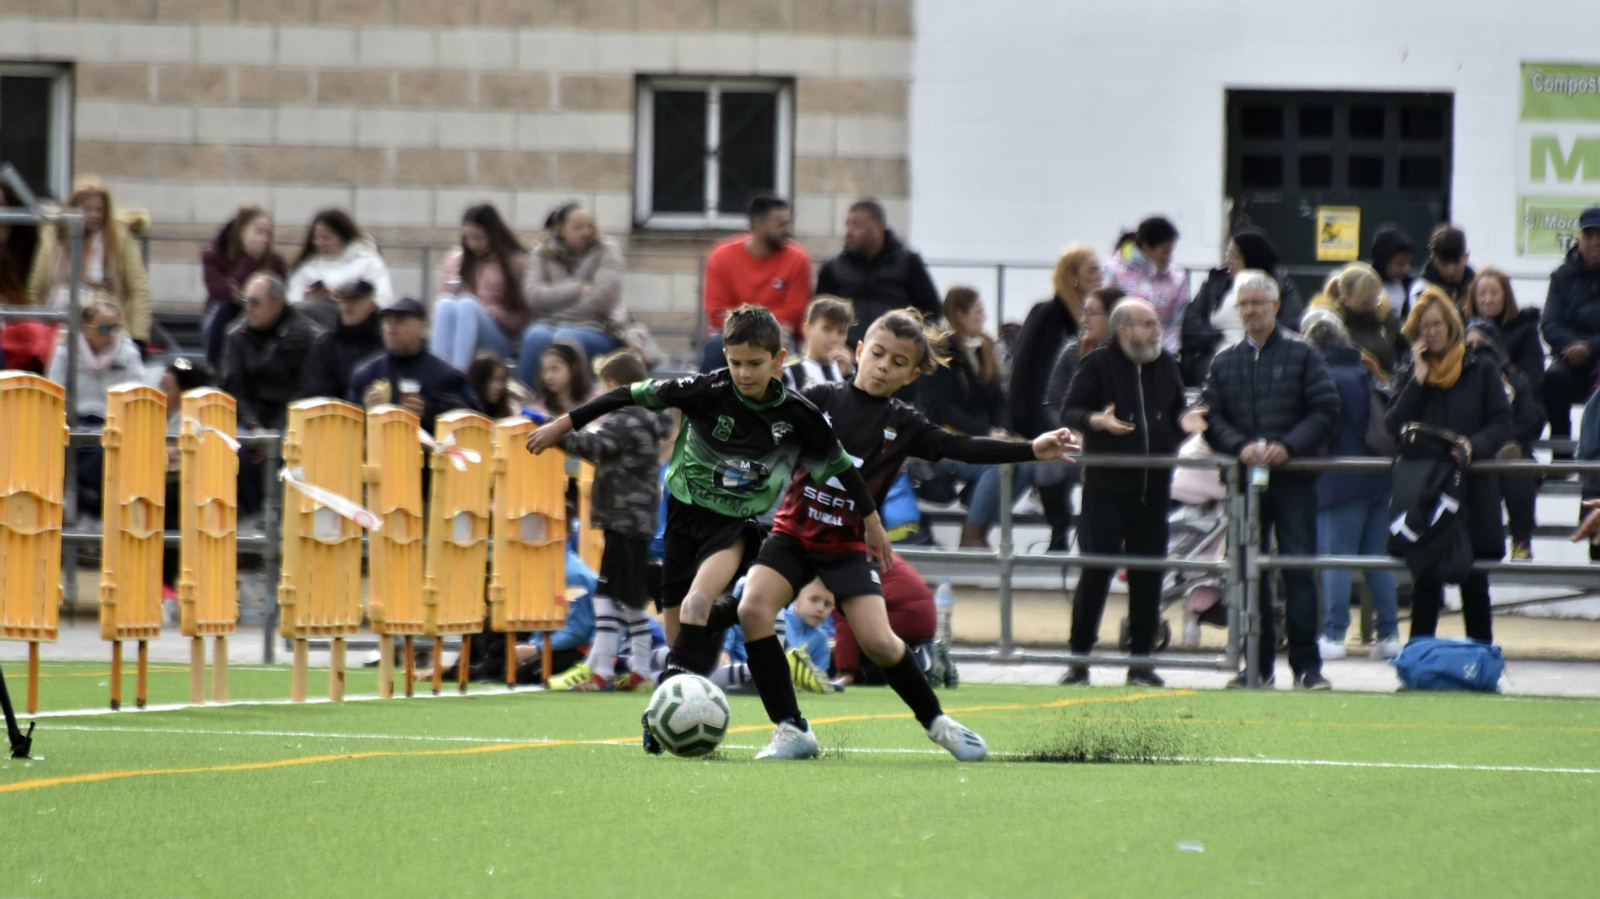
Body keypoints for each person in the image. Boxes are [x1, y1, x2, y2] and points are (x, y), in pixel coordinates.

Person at [526, 304, 883, 754]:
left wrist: (872, 520)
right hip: (683, 518)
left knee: (698, 603)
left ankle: (664, 714)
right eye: (735, 362)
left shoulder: (796, 413)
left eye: (755, 363)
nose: (744, 373)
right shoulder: (705, 389)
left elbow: (843, 467)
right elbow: (627, 394)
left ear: (778, 360)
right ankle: (687, 692)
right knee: (682, 640)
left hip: (735, 524)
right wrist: (563, 423)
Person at [732, 309, 1079, 761]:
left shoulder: (905, 423)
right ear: (860, 351)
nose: (883, 366)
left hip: (848, 548)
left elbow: (960, 447)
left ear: (912, 374)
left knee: (880, 642)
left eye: (898, 362)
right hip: (793, 534)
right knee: (752, 609)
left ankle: (938, 722)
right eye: (877, 354)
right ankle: (791, 727)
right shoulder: (819, 398)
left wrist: (1030, 448)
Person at [1201, 270, 1340, 689]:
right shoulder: (1224, 361)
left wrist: (1288, 446)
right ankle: (1256, 666)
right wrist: (1239, 445)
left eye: (1257, 303)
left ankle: (1307, 668)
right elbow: (1210, 418)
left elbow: (1326, 409)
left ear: (1276, 306)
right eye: (1243, 304)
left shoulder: (1304, 354)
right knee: (1250, 575)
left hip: (1295, 483)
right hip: (1245, 486)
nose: (1249, 311)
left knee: (1298, 570)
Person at [1059, 299, 1208, 686]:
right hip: (1105, 490)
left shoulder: (1166, 364)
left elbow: (1176, 411)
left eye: (1156, 323)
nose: (1157, 330)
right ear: (1124, 330)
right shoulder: (1097, 363)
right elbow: (1069, 411)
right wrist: (1098, 422)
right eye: (1148, 324)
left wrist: (1186, 420)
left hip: (1154, 490)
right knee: (1095, 575)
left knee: (1148, 577)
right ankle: (1078, 661)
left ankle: (1141, 663)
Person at [1387, 288, 1513, 644]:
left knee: (1474, 583)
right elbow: (1393, 425)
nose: (1431, 333)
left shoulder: (1481, 368)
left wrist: (1475, 445)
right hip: (1427, 494)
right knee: (1425, 582)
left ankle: (1481, 660)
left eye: (1437, 324)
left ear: (1451, 325)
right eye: (1423, 327)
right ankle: (1418, 660)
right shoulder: (1412, 371)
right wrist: (1418, 380)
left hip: (1471, 491)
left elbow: (1502, 421)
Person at [545, 350, 669, 692]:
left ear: (614, 386)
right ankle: (620, 670)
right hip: (634, 520)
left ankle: (613, 671)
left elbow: (594, 446)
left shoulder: (625, 418)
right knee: (618, 596)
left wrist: (555, 432)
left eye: (604, 388)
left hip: (624, 519)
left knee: (618, 597)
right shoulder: (647, 417)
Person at [1300, 309, 1401, 661]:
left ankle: (1333, 635)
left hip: (1338, 480)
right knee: (1377, 559)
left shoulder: (1322, 377)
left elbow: (1320, 433)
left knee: (1336, 559)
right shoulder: (1366, 372)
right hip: (1379, 477)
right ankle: (1389, 634)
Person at [924, 286, 1052, 548]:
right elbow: (940, 408)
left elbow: (998, 400)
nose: (984, 317)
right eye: (979, 312)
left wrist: (1002, 430)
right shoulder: (939, 352)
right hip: (943, 444)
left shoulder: (984, 348)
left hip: (980, 440)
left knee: (1026, 464)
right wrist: (987, 432)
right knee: (997, 464)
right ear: (960, 315)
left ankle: (979, 525)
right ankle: (972, 535)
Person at [1010, 244, 1103, 549]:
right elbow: (1029, 376)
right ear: (1072, 276)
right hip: (1046, 417)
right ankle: (1059, 532)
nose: (1100, 276)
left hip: (1084, 420)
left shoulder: (1100, 321)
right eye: (1092, 270)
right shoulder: (1047, 315)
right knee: (1051, 461)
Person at [47, 296, 146, 510]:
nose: (111, 335)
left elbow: (137, 396)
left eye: (115, 328)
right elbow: (54, 392)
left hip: (113, 425)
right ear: (87, 329)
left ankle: (84, 490)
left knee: (110, 448)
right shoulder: (66, 352)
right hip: (73, 422)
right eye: (104, 328)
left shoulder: (129, 355)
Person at [28, 177, 152, 345]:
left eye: (99, 210)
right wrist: (36, 331)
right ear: (73, 208)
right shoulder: (53, 236)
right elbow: (34, 291)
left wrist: (139, 336)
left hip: (104, 330)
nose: (94, 215)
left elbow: (138, 289)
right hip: (55, 328)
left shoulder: (119, 238)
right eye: (87, 208)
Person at [701, 194, 814, 373]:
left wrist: (741, 318)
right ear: (758, 225)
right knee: (715, 346)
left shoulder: (798, 259)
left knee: (784, 351)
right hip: (733, 336)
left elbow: (795, 312)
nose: (788, 230)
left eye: (788, 223)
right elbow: (717, 313)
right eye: (781, 225)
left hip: (779, 336)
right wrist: (760, 324)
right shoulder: (721, 257)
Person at [517, 203, 626, 386]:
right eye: (577, 227)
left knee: (565, 337)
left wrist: (555, 308)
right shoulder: (541, 253)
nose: (586, 232)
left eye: (589, 225)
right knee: (534, 336)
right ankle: (526, 397)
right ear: (560, 229)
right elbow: (533, 296)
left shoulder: (607, 250)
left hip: (597, 329)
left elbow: (602, 300)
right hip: (548, 325)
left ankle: (574, 399)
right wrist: (576, 289)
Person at [1465, 317, 1546, 561]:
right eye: (1470, 344)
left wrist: (1498, 437)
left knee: (1516, 464)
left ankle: (1521, 541)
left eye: (1482, 343)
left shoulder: (1515, 378)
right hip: (1470, 451)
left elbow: (1531, 419)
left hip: (1507, 450)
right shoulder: (1459, 376)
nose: (1476, 350)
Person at [1182, 226, 1304, 386]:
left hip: (1263, 358)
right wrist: (1217, 340)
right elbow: (1192, 322)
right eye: (1227, 254)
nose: (1228, 261)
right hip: (1214, 355)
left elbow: (1291, 326)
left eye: (1234, 256)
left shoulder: (1281, 287)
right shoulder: (1214, 283)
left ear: (1251, 258)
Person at [815, 199, 941, 345]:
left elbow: (931, 311)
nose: (848, 232)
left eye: (856, 225)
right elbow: (818, 316)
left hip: (895, 350)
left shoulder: (908, 263)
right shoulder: (832, 269)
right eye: (847, 224)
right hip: (846, 352)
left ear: (878, 227)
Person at [348, 296, 478, 432]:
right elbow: (347, 424)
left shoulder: (446, 375)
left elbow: (473, 420)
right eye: (386, 322)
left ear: (422, 325)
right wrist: (364, 408)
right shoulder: (367, 374)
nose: (391, 329)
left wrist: (429, 410)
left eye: (399, 321)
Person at [430, 204, 529, 370]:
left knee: (467, 304)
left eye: (478, 238)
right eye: (467, 238)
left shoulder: (515, 261)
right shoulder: (456, 260)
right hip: (459, 329)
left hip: (499, 338)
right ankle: (438, 371)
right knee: (445, 303)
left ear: (493, 234)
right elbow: (438, 307)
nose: (473, 244)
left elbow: (522, 319)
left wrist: (490, 310)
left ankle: (459, 373)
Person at [220, 273, 322, 434]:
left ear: (277, 305)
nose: (248, 308)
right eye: (245, 301)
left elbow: (306, 388)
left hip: (294, 421)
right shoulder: (236, 336)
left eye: (255, 302)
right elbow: (234, 387)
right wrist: (254, 425)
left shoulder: (307, 337)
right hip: (249, 421)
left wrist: (277, 430)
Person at [1540, 206, 1600, 457]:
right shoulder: (1561, 277)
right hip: (1569, 360)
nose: (1594, 242)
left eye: (1599, 235)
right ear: (1578, 238)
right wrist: (1573, 347)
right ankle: (1561, 455)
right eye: (1589, 235)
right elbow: (1549, 324)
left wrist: (1590, 348)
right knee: (1552, 378)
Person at [712, 577, 837, 695]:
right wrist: (724, 650)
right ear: (795, 598)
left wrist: (799, 682)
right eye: (814, 599)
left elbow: (819, 678)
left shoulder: (821, 638)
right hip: (733, 668)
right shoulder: (775, 614)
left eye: (827, 604)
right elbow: (732, 625)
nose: (820, 608)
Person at [201, 205, 286, 368]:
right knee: (225, 308)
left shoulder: (275, 261)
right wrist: (249, 260)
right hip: (223, 315)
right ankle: (214, 366)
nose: (263, 239)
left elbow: (280, 292)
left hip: (264, 313)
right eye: (258, 232)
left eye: (267, 234)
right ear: (241, 231)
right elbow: (220, 290)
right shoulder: (214, 255)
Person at [831, 554, 935, 686]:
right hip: (920, 618)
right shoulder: (865, 553)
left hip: (901, 617)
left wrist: (846, 671)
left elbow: (848, 622)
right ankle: (918, 653)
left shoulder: (846, 565)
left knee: (862, 670)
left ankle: (917, 661)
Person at [1306, 262, 1407, 377]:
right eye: (1366, 303)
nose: (1374, 307)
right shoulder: (1331, 328)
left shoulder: (1385, 319)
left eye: (1376, 300)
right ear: (1345, 298)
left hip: (1387, 383)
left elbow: (1407, 349)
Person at [285, 209, 394, 315]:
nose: (319, 243)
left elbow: (384, 300)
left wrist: (338, 301)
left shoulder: (367, 262)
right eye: (316, 238)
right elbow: (292, 302)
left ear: (343, 237)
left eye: (326, 238)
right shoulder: (308, 268)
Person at [1106, 216, 1189, 356]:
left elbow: (1178, 324)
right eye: (1165, 252)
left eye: (1170, 252)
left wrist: (1163, 352)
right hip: (1120, 351)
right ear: (1145, 248)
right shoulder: (1114, 271)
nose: (1169, 257)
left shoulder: (1177, 280)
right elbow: (1105, 314)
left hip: (1162, 353)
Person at [1045, 286, 1125, 427]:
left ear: (1113, 317)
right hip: (1077, 435)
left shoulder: (1133, 355)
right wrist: (1070, 432)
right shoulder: (1072, 352)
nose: (1084, 320)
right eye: (1084, 312)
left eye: (1091, 313)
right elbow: (1053, 405)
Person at [298, 279, 383, 402]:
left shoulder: (385, 343)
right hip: (334, 412)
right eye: (343, 300)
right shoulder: (325, 345)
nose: (347, 306)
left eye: (355, 300)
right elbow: (316, 390)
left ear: (371, 303)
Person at [1466, 266, 1543, 395]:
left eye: (1494, 293)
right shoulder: (1462, 331)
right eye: (1482, 294)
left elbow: (1534, 381)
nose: (1488, 300)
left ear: (1506, 296)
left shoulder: (1525, 331)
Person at [783, 295, 854, 389]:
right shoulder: (789, 373)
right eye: (827, 329)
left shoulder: (850, 375)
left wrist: (848, 376)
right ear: (806, 329)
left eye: (841, 332)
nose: (834, 339)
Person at [1407, 223, 1474, 315]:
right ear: (1433, 259)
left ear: (1466, 256)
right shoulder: (1421, 290)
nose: (1451, 270)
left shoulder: (1478, 288)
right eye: (1444, 264)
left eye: (1456, 262)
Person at [524, 338, 594, 420]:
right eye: (545, 370)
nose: (548, 376)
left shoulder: (592, 400)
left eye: (555, 369)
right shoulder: (539, 409)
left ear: (573, 369)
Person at [1370, 224, 1416, 314]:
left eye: (1409, 263)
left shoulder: (1411, 288)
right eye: (1400, 264)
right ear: (1383, 261)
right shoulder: (1365, 286)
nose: (1406, 270)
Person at [466, 352, 513, 420]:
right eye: (493, 379)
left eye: (502, 380)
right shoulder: (465, 411)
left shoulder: (503, 410)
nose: (500, 387)